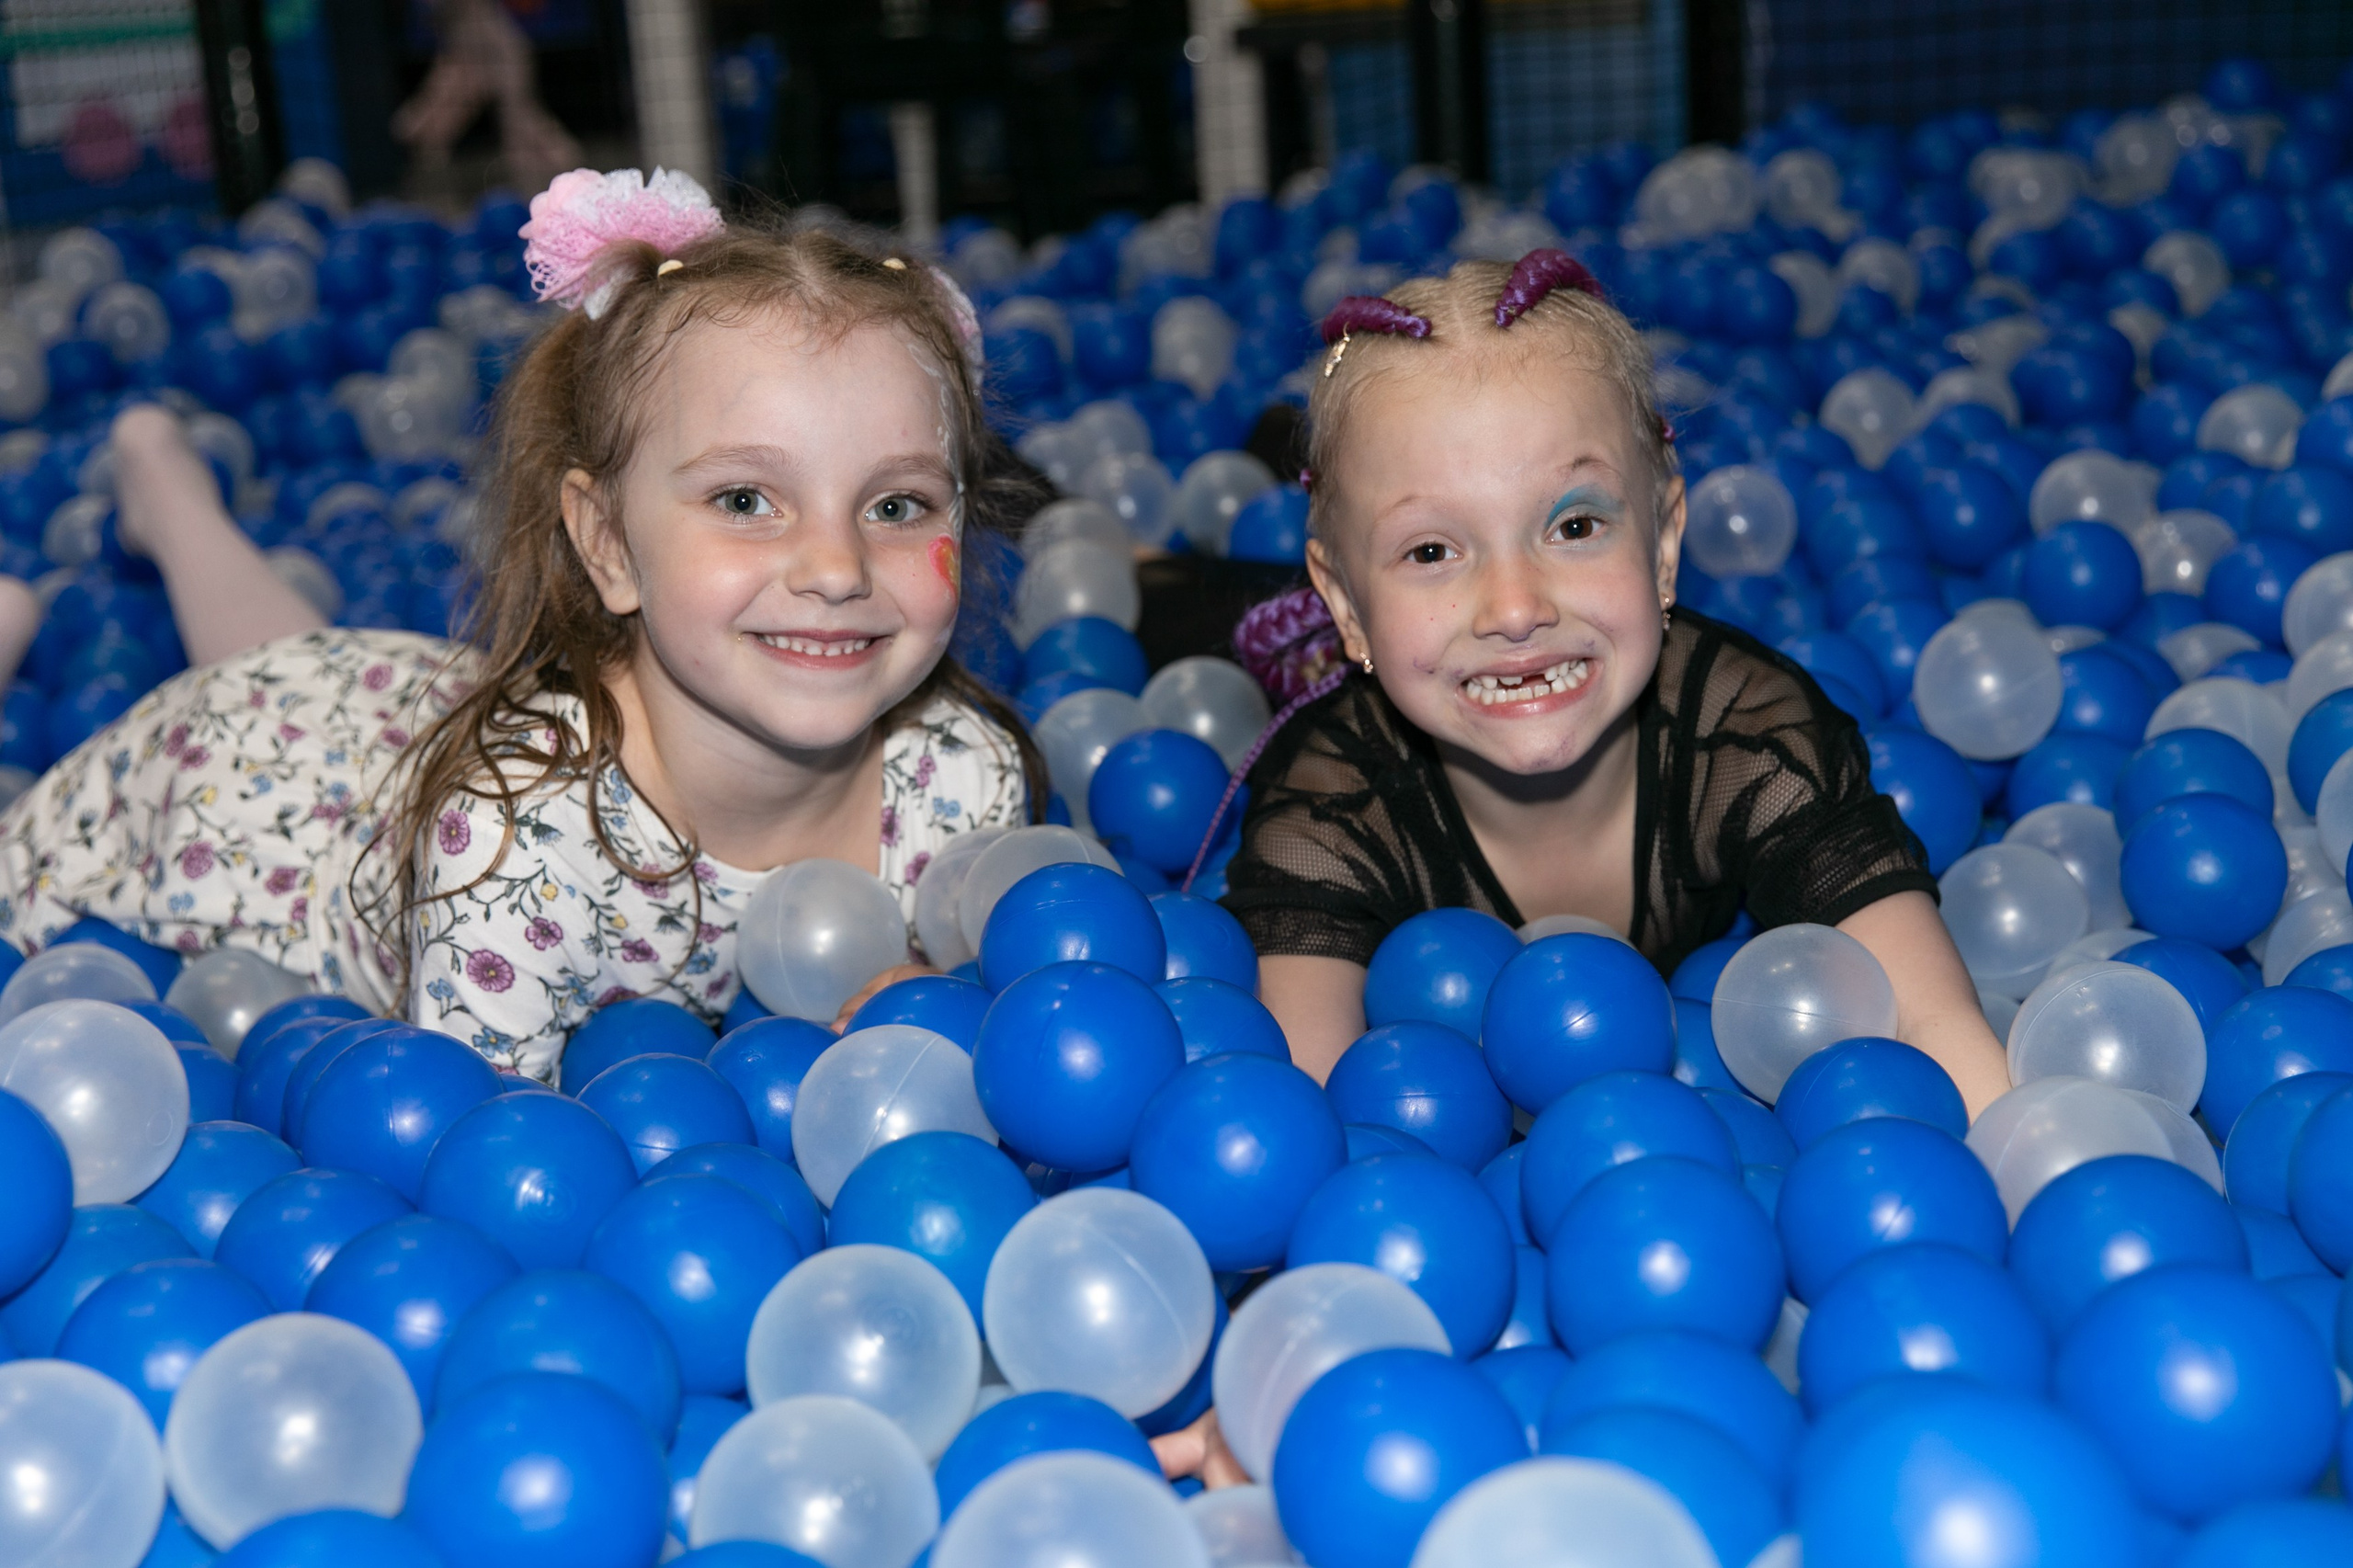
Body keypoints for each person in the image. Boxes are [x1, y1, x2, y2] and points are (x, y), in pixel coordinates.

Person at [0, 168, 1040, 1083]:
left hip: (399, 703)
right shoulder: (513, 850)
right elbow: (486, 1137)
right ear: (609, 545)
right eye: (744, 500)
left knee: (296, 651)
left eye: (897, 505)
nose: (835, 567)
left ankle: (170, 492)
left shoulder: (960, 777)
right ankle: (144, 507)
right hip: (243, 790)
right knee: (254, 688)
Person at [1220, 251, 2011, 1117]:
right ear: (1346, 606)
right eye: (1432, 551)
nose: (1516, 609)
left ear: (1666, 545)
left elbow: (1941, 1034)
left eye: (1575, 524)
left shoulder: (1745, 737)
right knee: (1194, 602)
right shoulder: (1331, 803)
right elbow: (1301, 1116)